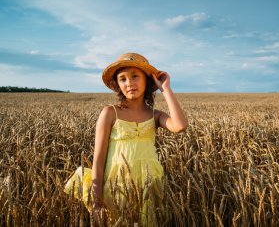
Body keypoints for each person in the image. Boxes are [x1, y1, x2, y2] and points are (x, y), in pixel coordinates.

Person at [64, 52, 188, 226]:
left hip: (148, 189)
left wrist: (165, 89)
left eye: (135, 76)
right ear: (118, 85)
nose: (129, 83)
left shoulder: (155, 116)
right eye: (123, 79)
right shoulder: (110, 113)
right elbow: (98, 161)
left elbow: (180, 125)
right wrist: (97, 204)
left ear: (147, 79)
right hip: (115, 189)